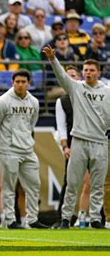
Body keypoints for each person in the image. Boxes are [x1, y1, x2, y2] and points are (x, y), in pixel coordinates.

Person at [43, 46, 110, 229]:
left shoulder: (107, 91)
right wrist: (53, 60)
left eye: (91, 70)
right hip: (79, 140)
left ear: (99, 72)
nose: (88, 73)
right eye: (85, 70)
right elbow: (62, 77)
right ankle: (66, 217)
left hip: (100, 141)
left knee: (97, 184)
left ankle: (95, 218)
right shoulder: (76, 88)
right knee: (72, 182)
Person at [0, 70, 48, 229]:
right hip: (8, 149)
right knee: (8, 186)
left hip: (28, 149)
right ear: (12, 82)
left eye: (23, 82)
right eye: (17, 82)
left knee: (34, 185)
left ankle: (32, 219)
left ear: (29, 83)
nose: (20, 85)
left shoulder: (34, 102)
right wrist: (1, 143)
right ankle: (10, 220)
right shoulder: (2, 102)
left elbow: (31, 124)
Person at [54, 65, 91, 228]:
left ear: (80, 78)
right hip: (73, 144)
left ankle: (99, 217)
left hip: (93, 142)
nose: (70, 79)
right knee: (69, 181)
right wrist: (65, 146)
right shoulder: (62, 101)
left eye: (73, 75)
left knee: (97, 182)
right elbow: (61, 126)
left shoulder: (90, 95)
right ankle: (62, 218)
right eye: (67, 76)